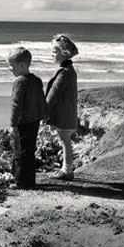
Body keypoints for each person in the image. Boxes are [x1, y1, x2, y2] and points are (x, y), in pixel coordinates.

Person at [8, 46, 47, 189]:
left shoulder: (19, 82)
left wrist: (12, 123)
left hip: (22, 122)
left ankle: (20, 181)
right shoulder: (37, 80)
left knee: (19, 151)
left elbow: (15, 105)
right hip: (34, 121)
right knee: (29, 151)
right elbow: (42, 100)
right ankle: (30, 180)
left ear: (22, 65)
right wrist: (44, 116)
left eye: (12, 66)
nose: (10, 69)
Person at [46, 34, 79, 181]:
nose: (51, 54)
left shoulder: (65, 72)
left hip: (64, 114)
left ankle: (67, 170)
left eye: (54, 52)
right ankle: (66, 168)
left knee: (65, 140)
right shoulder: (67, 70)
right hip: (65, 112)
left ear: (64, 53)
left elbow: (54, 94)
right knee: (64, 140)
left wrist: (43, 110)